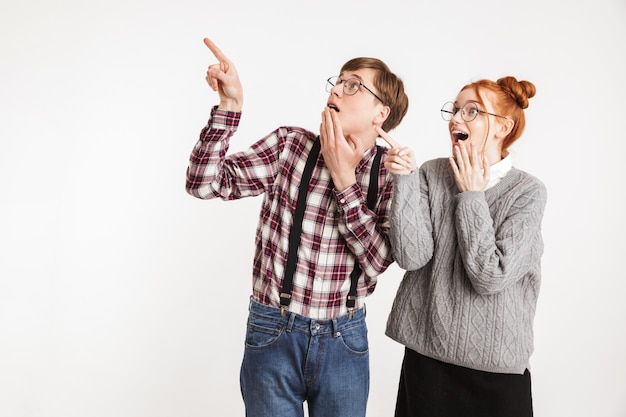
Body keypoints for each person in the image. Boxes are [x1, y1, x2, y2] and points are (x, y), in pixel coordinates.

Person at [185, 37, 408, 417]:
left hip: (345, 339)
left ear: (380, 113)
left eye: (353, 84)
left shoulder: (390, 174)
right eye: (338, 81)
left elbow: (378, 263)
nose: (337, 88)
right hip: (273, 330)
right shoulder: (290, 146)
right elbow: (204, 183)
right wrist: (229, 106)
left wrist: (344, 182)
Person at [382, 76, 546, 416]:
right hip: (427, 363)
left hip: (495, 374)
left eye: (472, 111)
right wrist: (405, 179)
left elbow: (490, 276)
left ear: (503, 126)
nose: (457, 119)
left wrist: (472, 196)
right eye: (455, 110)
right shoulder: (430, 173)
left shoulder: (528, 192)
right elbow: (412, 257)